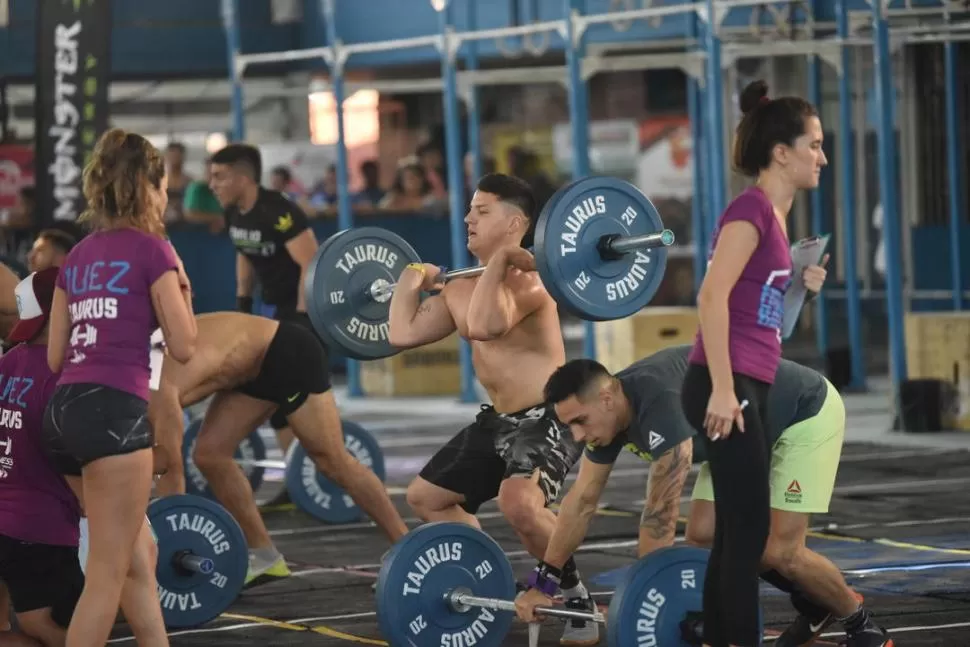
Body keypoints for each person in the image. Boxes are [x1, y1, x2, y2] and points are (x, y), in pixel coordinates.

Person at [682, 79, 888, 647]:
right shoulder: (750, 211)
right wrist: (724, 391)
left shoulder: (775, 219)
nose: (822, 156)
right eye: (815, 145)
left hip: (745, 376)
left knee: (736, 538)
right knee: (745, 537)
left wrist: (800, 288)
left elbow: (770, 322)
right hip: (727, 381)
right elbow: (710, 297)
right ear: (782, 152)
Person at [515, 346, 895, 647]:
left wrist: (646, 603)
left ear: (607, 397)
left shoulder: (658, 402)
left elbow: (659, 517)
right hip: (734, 437)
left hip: (802, 415)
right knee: (702, 537)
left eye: (580, 421)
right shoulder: (605, 423)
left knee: (782, 551)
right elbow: (581, 502)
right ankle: (815, 602)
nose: (578, 436)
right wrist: (544, 582)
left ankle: (861, 624)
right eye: (570, 426)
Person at [389, 173, 597, 646]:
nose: (467, 218)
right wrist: (410, 278)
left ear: (515, 224)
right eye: (470, 209)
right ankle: (486, 572)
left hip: (549, 417)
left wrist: (503, 261)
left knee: (519, 502)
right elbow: (400, 334)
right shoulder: (462, 287)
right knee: (427, 498)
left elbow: (484, 325)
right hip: (498, 420)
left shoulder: (533, 282)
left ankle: (576, 597)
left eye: (482, 211)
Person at [42, 128, 197, 647]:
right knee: (106, 573)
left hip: (62, 414)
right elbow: (184, 346)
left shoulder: (78, 255)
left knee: (134, 556)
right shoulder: (155, 251)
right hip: (113, 414)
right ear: (149, 187)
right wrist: (184, 294)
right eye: (165, 186)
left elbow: (55, 356)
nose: (168, 196)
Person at [147, 311, 409, 587]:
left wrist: (167, 545)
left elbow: (170, 471)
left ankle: (406, 549)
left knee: (332, 462)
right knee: (209, 454)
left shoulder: (155, 390)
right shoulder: (130, 390)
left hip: (286, 351)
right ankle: (265, 556)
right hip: (247, 372)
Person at [209, 143, 323, 525]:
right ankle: (296, 482)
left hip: (298, 310)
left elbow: (312, 261)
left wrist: (303, 319)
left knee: (284, 395)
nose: (212, 184)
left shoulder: (280, 211)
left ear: (243, 178)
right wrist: (242, 304)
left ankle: (322, 472)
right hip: (270, 310)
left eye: (219, 177)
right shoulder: (233, 212)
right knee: (278, 400)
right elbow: (245, 254)